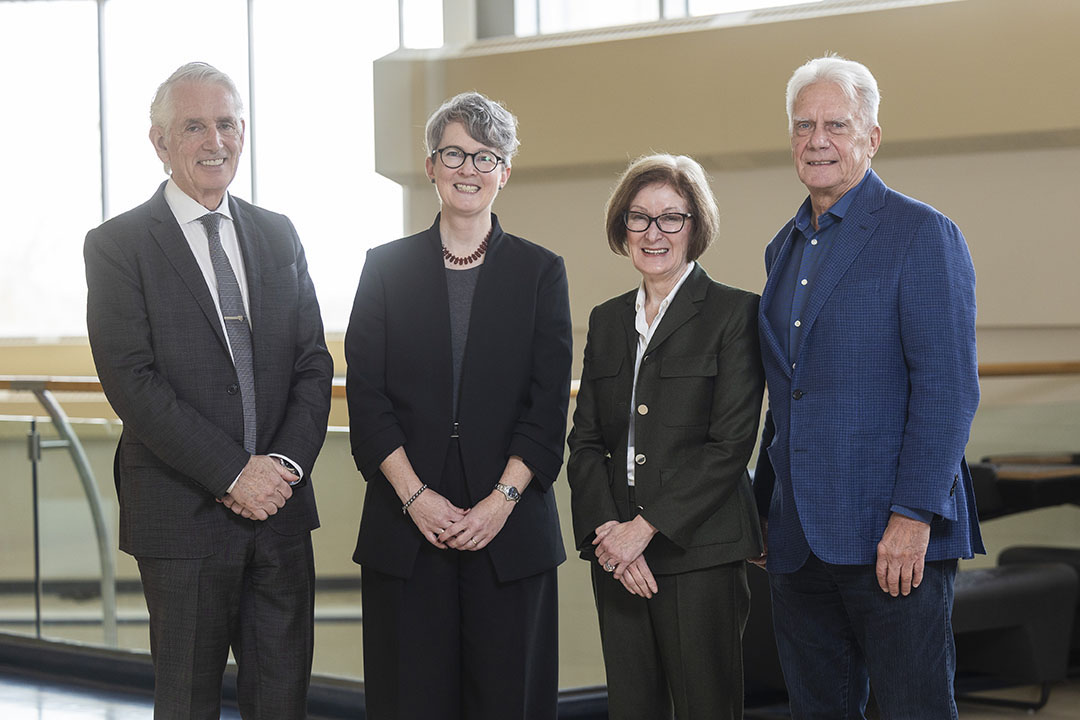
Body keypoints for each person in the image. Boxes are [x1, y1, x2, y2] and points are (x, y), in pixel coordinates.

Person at [84, 62, 333, 719]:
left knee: (282, 702)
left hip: (281, 516)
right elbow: (130, 379)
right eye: (194, 126)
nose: (214, 140)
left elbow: (314, 364)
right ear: (159, 142)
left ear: (243, 132)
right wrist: (231, 474)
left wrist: (278, 469)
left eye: (226, 124)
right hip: (182, 517)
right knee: (188, 704)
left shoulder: (279, 233)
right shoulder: (118, 246)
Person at [751, 54, 982, 719]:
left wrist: (913, 517)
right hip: (797, 544)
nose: (817, 140)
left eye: (836, 124)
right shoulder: (783, 248)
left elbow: (947, 390)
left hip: (891, 538)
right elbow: (786, 393)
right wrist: (767, 510)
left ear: (871, 136)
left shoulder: (922, 234)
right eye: (803, 126)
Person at [345, 91, 572, 720]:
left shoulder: (540, 272)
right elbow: (366, 397)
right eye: (454, 153)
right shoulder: (384, 269)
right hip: (404, 529)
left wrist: (502, 501)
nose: (468, 169)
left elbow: (547, 405)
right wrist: (415, 496)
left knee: (510, 703)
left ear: (504, 172)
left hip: (510, 532)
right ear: (431, 165)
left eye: (485, 157)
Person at [567, 153, 765, 720]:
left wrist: (643, 530)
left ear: (694, 226)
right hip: (616, 554)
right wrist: (608, 532)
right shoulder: (606, 321)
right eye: (639, 218)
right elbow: (584, 442)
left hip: (697, 552)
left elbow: (729, 446)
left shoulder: (733, 314)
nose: (653, 234)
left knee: (707, 709)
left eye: (670, 218)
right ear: (622, 227)